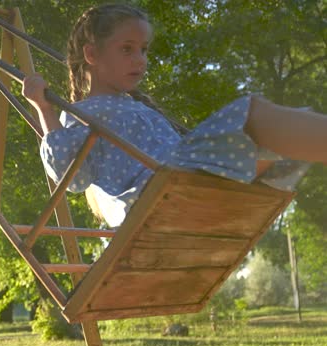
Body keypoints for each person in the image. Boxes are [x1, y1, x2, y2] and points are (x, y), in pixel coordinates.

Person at [21, 4, 327, 226]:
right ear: (91, 54)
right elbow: (71, 177)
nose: (139, 60)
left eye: (143, 49)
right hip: (154, 192)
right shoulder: (82, 113)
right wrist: (43, 107)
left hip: (176, 179)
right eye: (127, 49)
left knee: (278, 140)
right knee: (253, 115)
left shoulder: (137, 106)